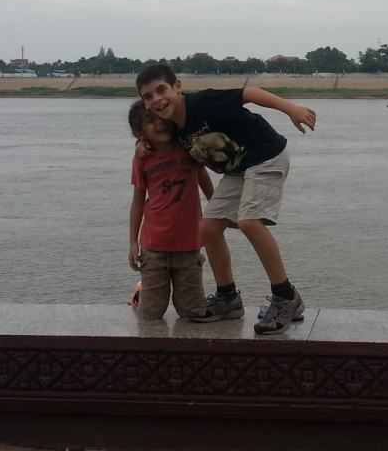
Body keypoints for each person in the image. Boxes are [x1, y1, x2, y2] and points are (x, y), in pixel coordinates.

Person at [135, 63, 316, 335]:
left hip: (266, 154)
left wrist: (290, 109)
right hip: (238, 170)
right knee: (207, 228)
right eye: (147, 96)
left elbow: (250, 93)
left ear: (178, 87)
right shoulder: (172, 125)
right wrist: (141, 142)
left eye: (161, 90)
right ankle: (228, 297)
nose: (156, 100)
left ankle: (286, 296)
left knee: (250, 222)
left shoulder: (203, 102)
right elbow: (155, 136)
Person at [127, 100, 214, 320]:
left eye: (162, 118)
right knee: (151, 313)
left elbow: (203, 178)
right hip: (154, 247)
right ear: (139, 131)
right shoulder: (141, 158)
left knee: (191, 312)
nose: (160, 124)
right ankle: (141, 293)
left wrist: (216, 211)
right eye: (150, 121)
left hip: (189, 244)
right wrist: (133, 242)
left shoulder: (188, 146)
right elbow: (138, 201)